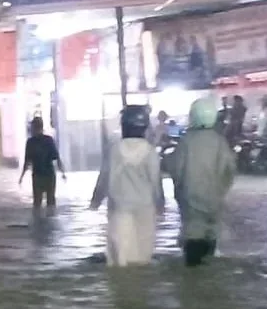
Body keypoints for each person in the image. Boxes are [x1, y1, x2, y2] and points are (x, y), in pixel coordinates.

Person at [89, 106, 165, 266]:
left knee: (119, 257)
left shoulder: (114, 150)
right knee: (142, 256)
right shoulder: (150, 152)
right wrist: (160, 205)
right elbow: (156, 183)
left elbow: (104, 178)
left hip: (119, 208)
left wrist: (95, 201)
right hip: (145, 208)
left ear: (123, 126)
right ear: (144, 128)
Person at [171, 97, 236, 266]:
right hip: (214, 199)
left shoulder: (186, 142)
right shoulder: (220, 141)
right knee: (211, 238)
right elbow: (230, 170)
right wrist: (221, 190)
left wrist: (178, 191)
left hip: (190, 199)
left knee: (193, 240)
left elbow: (176, 170)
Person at [19, 116, 65, 215]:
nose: (31, 130)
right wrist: (62, 172)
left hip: (38, 176)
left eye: (32, 127)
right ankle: (50, 221)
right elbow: (57, 158)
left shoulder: (31, 142)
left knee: (38, 203)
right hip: (48, 175)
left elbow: (27, 162)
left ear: (35, 128)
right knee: (50, 202)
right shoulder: (48, 140)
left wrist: (22, 177)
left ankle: (39, 223)